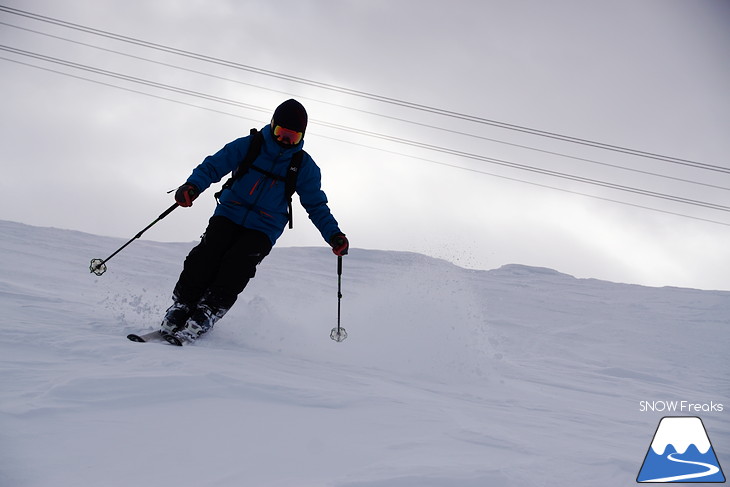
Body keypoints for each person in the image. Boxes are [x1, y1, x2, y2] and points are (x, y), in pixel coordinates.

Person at [160, 99, 348, 343]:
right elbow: (213, 166)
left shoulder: (303, 166)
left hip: (264, 227)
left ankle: (209, 311)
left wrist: (333, 235)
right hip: (229, 212)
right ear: (272, 126)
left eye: (292, 137)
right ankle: (182, 305)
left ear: (302, 136)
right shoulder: (249, 145)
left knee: (237, 265)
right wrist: (192, 186)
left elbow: (315, 205)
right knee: (206, 255)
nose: (285, 141)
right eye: (281, 133)